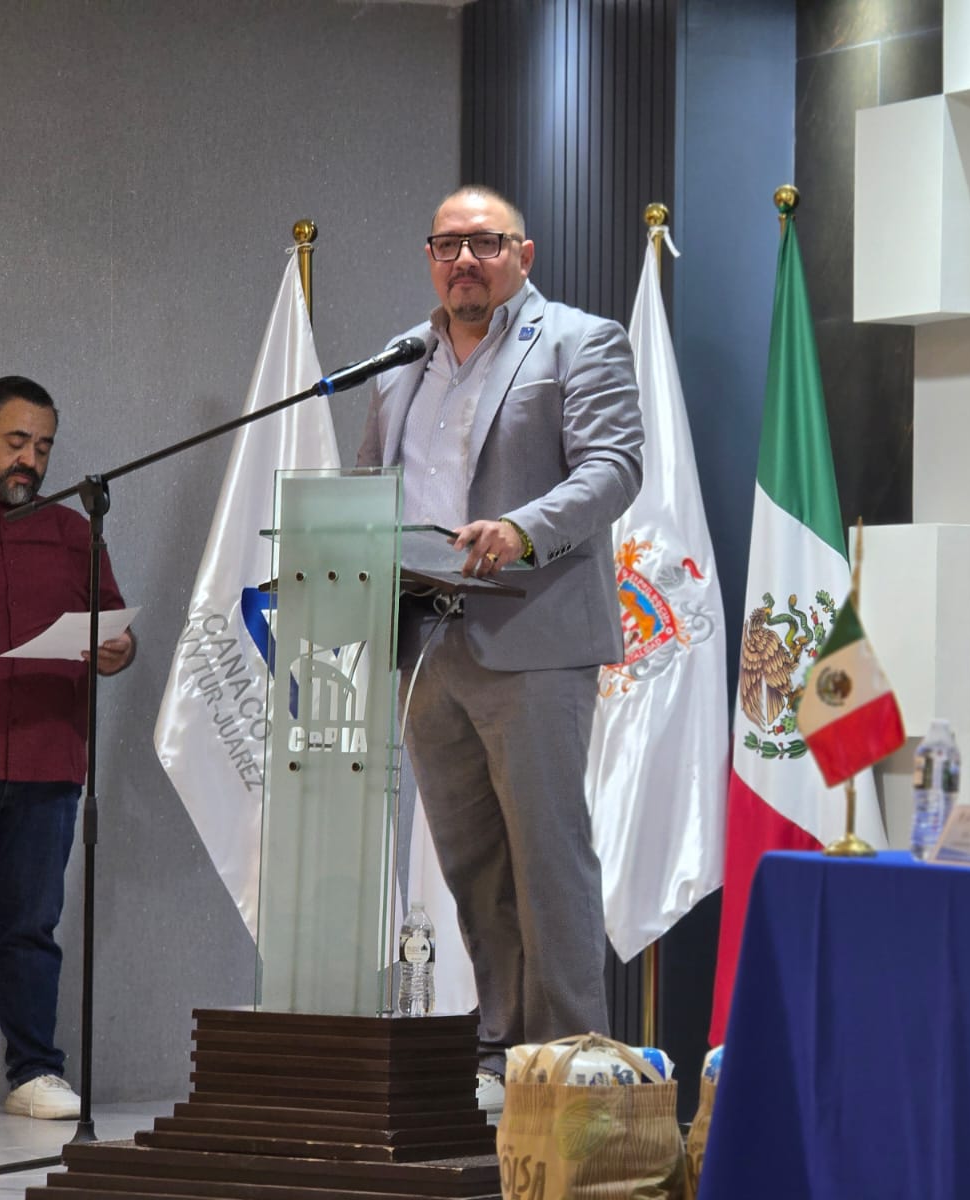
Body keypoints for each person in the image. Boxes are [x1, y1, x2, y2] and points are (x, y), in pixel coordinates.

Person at [357, 186, 642, 1114]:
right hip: (426, 637)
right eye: (447, 246)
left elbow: (614, 468)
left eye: (484, 244)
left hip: (532, 635)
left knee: (548, 859)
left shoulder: (579, 342)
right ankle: (502, 1049)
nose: (464, 261)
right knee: (473, 865)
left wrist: (523, 529)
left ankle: (573, 1065)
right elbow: (367, 489)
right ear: (429, 258)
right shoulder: (400, 362)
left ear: (524, 253)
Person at [0, 375, 136, 1119]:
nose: (30, 461)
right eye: (16, 442)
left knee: (31, 929)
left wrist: (119, 648)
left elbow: (114, 626)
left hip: (47, 761)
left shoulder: (72, 530)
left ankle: (34, 1072)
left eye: (42, 447)